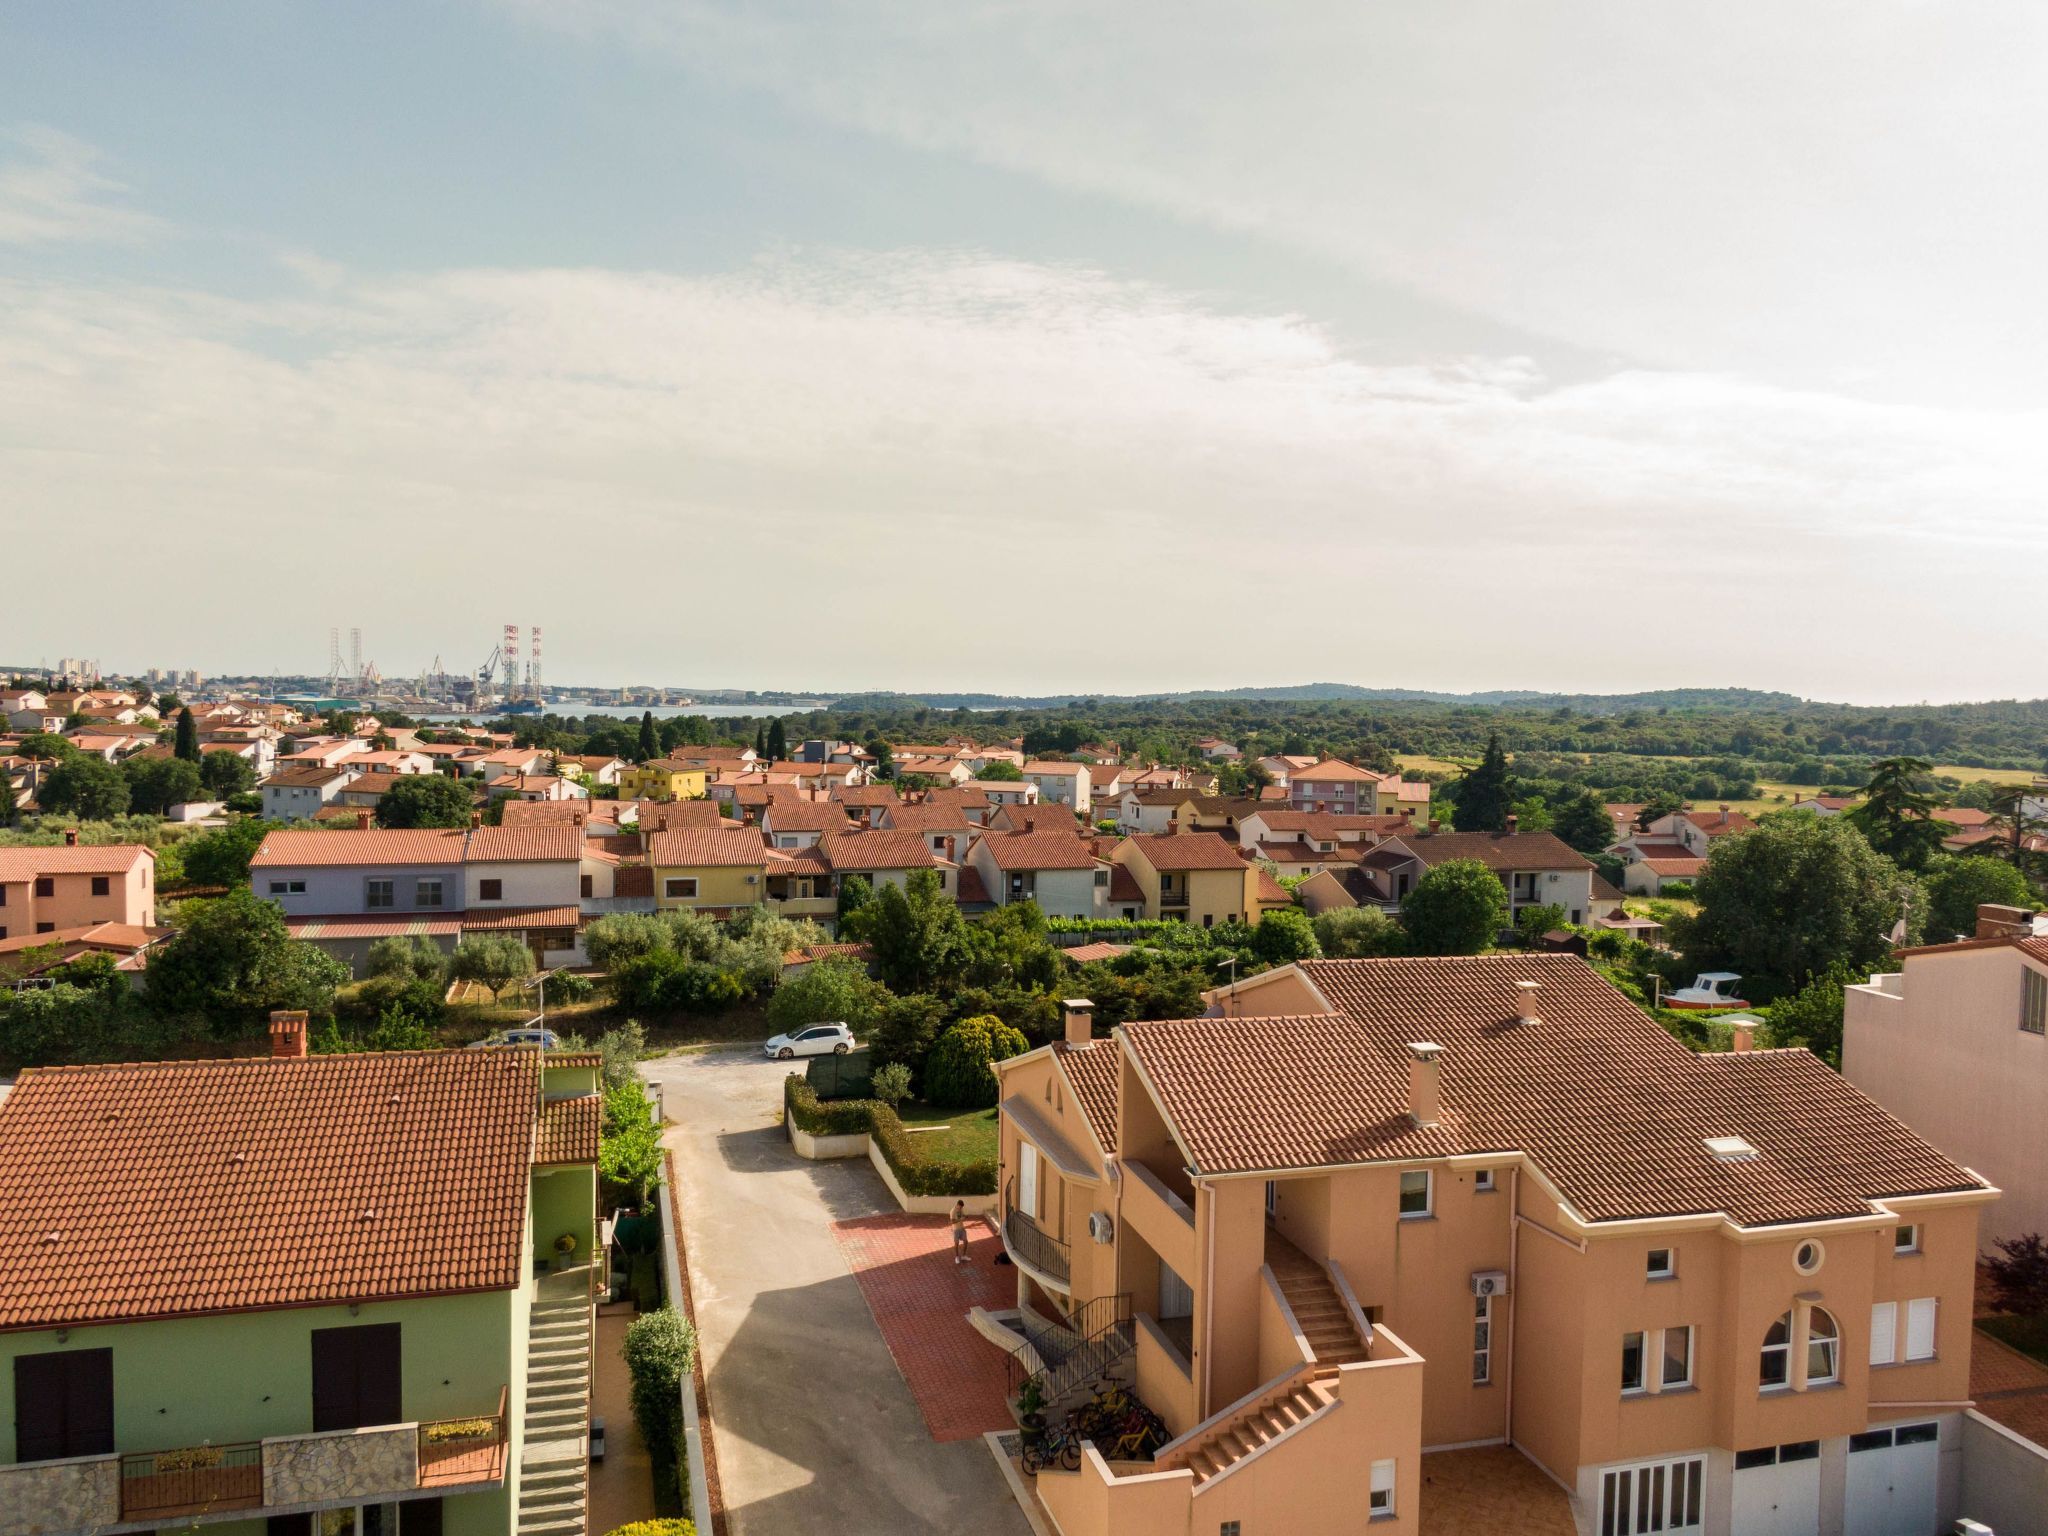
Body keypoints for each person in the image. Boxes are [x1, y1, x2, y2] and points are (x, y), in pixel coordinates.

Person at [952, 1199, 970, 1265]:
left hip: (962, 1228)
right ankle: (956, 1257)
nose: (961, 1208)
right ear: (958, 1205)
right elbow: (952, 1221)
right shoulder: (953, 1211)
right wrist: (960, 1219)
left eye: (962, 1207)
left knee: (966, 1241)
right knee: (956, 1243)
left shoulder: (961, 1210)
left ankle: (963, 1256)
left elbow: (963, 1215)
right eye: (960, 1207)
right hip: (956, 1229)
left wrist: (966, 1216)